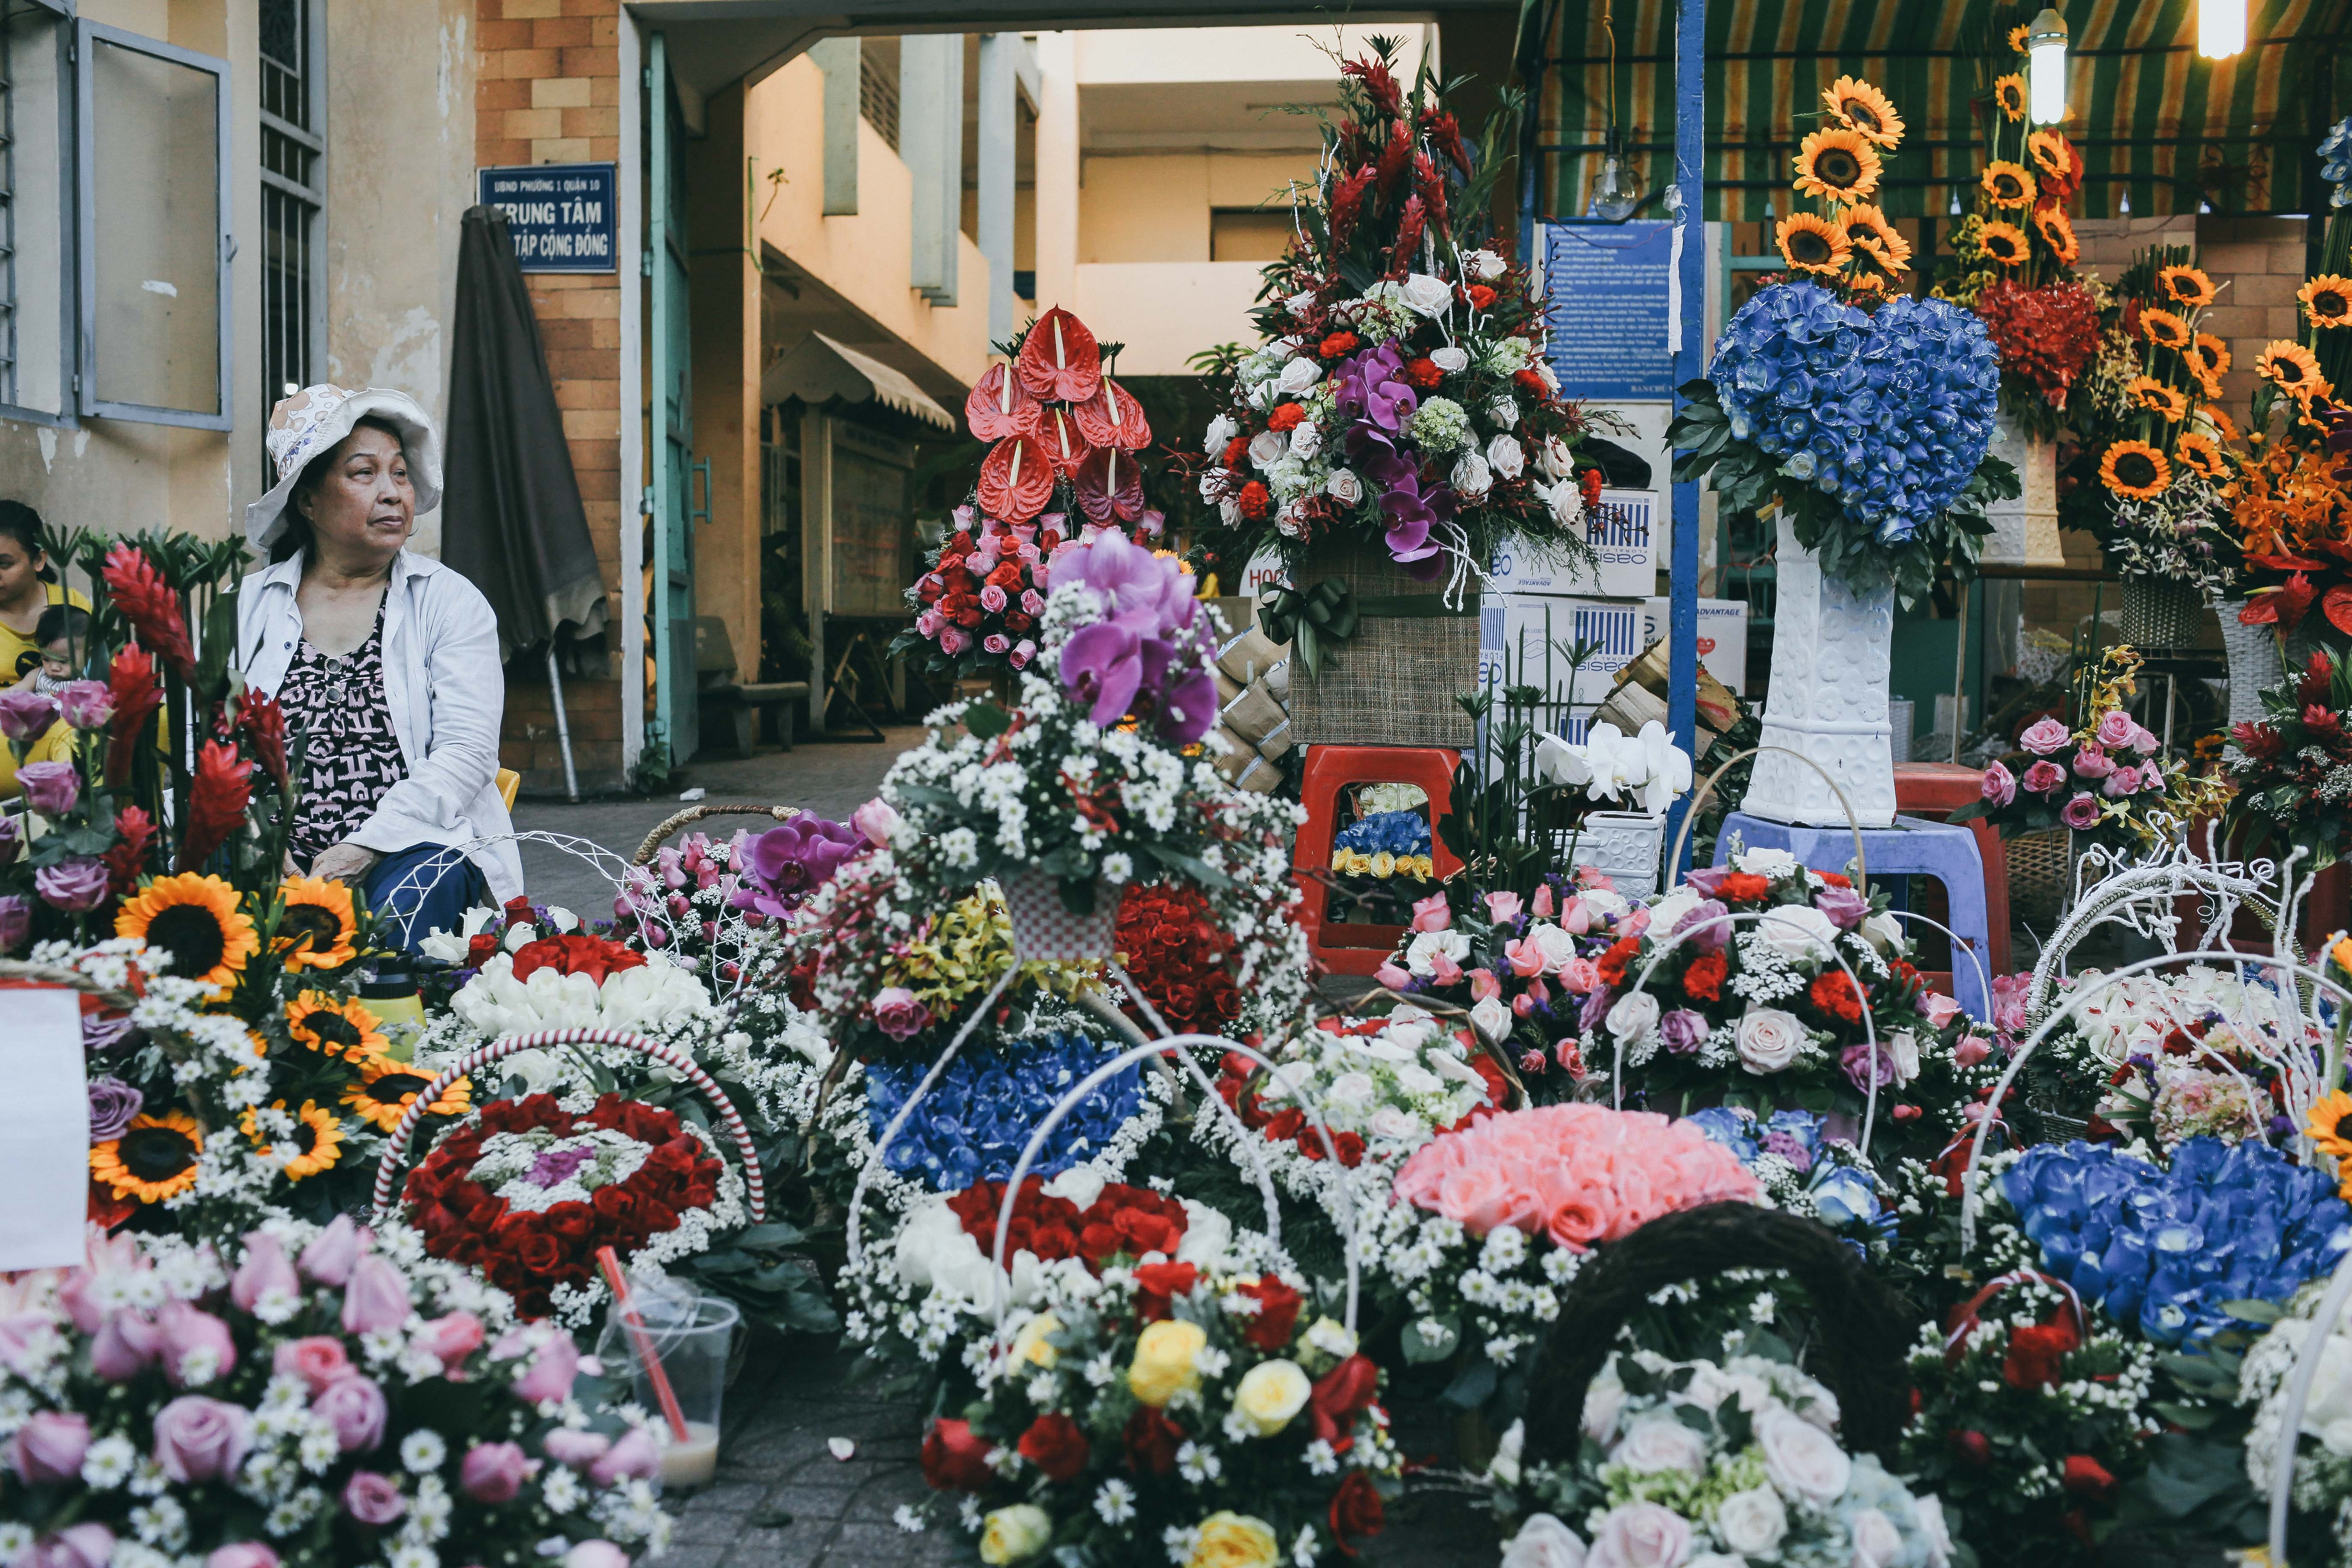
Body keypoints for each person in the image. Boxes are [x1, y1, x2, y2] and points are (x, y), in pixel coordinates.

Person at [237, 384, 522, 950]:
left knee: (416, 895)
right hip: (270, 850)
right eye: (364, 473)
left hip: (410, 844)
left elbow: (467, 754)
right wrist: (261, 848)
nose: (393, 493)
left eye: (400, 474)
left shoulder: (449, 601)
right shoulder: (246, 607)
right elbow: (213, 752)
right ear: (308, 499)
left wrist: (366, 847)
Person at [0, 503, 90, 800]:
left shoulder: (71, 606)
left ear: (39, 560)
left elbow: (105, 673)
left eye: (4, 564)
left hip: (70, 728)